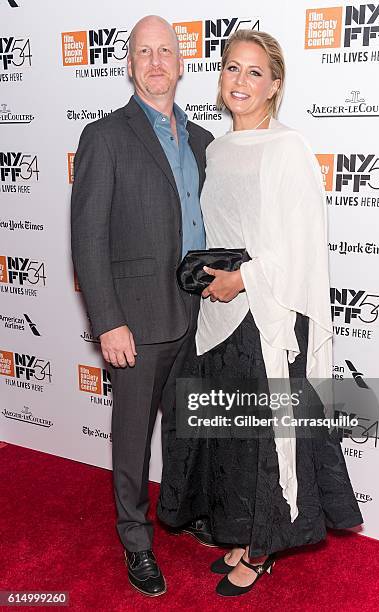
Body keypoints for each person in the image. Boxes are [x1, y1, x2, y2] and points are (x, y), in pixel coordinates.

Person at [158, 29, 363, 597]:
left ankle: (262, 547)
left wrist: (243, 278)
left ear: (274, 85)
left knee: (267, 437)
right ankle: (238, 532)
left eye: (255, 72)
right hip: (222, 311)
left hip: (270, 313)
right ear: (220, 80)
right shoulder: (217, 150)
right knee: (233, 435)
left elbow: (299, 241)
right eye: (232, 69)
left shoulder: (288, 147)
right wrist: (213, 277)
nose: (241, 81)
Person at [71, 15, 214, 598]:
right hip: (134, 318)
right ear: (128, 64)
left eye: (166, 52)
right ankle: (135, 539)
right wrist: (107, 321)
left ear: (181, 64)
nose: (155, 62)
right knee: (132, 438)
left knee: (187, 429)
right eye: (143, 52)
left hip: (199, 315)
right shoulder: (104, 137)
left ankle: (181, 512)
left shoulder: (204, 141)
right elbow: (87, 237)